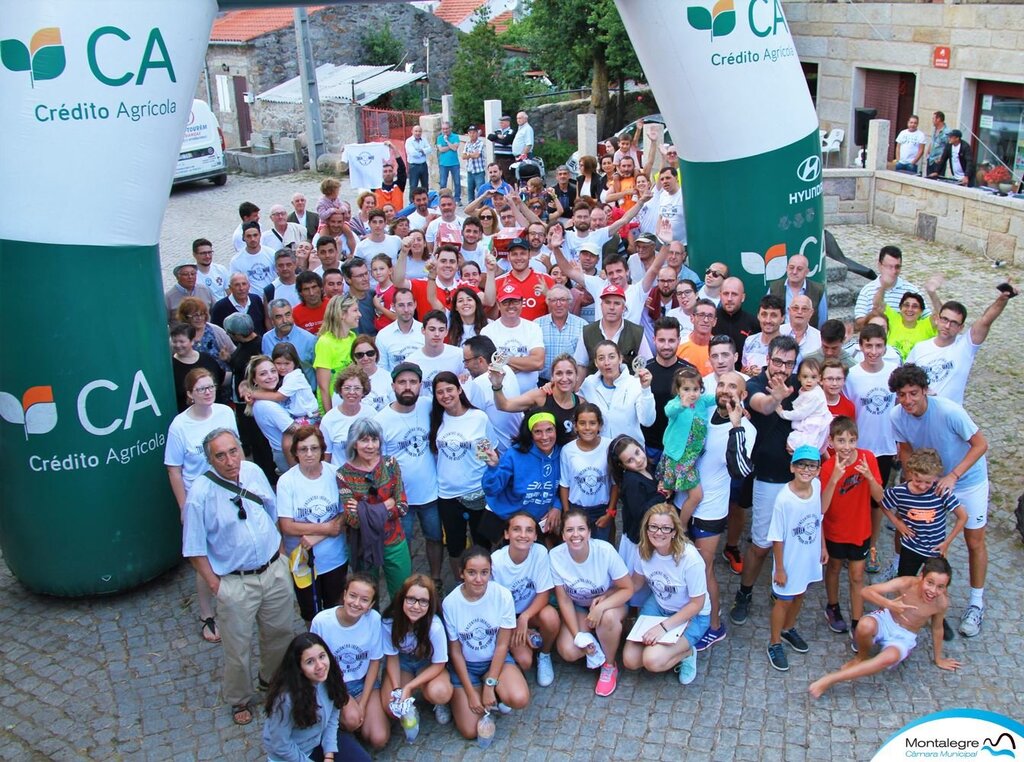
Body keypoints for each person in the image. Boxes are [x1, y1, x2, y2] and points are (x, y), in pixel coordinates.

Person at [181, 428, 295, 726]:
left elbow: (271, 511)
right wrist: (216, 586)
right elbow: (194, 548)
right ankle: (239, 698)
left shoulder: (254, 471)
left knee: (280, 633)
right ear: (210, 460)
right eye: (221, 455)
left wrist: (281, 555)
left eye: (234, 451)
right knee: (237, 647)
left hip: (272, 570)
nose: (231, 460)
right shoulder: (200, 495)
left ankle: (271, 680)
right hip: (234, 581)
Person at [888, 364, 989, 637]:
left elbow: (981, 445)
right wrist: (913, 481)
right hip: (930, 481)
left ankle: (976, 603)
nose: (908, 400)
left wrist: (953, 476)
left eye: (913, 393)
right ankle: (901, 573)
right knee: (912, 526)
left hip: (967, 480)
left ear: (925, 391)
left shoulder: (949, 411)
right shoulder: (897, 415)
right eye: (902, 394)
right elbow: (905, 448)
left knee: (974, 541)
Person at [808, 558, 960, 698]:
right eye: (930, 583)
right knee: (864, 625)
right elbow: (865, 591)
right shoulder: (906, 583)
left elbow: (937, 628)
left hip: (904, 637)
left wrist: (939, 658)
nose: (933, 591)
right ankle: (861, 657)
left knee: (889, 658)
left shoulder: (941, 603)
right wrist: (889, 604)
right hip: (887, 619)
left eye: (940, 587)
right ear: (921, 577)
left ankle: (831, 679)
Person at [729, 336, 801, 627]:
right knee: (761, 544)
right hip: (767, 478)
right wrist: (777, 397)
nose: (783, 368)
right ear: (768, 359)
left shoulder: (802, 385)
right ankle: (744, 593)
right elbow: (763, 406)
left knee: (793, 542)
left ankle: (782, 592)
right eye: (778, 361)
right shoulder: (756, 384)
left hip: (799, 479)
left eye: (789, 363)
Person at [165, 368, 238, 644]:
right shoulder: (179, 426)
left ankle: (237, 601)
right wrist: (184, 506)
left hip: (229, 490)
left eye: (211, 387)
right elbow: (174, 470)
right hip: (199, 497)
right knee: (203, 556)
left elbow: (236, 449)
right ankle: (207, 614)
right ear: (189, 395)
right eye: (201, 389)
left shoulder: (225, 413)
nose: (208, 393)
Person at [687, 372, 756, 653]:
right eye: (722, 384)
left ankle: (714, 626)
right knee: (685, 569)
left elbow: (739, 470)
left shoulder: (747, 430)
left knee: (703, 570)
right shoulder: (703, 411)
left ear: (743, 395)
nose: (726, 390)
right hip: (685, 501)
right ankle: (690, 617)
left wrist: (737, 426)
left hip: (711, 509)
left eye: (733, 386)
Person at [442, 547, 530, 738]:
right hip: (467, 666)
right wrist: (471, 694)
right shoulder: (450, 603)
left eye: (484, 573)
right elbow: (455, 652)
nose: (479, 579)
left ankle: (489, 687)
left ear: (491, 572)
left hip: (494, 661)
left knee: (519, 698)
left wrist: (490, 685)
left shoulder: (503, 595)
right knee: (470, 731)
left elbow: (502, 645)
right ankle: (464, 694)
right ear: (461, 573)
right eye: (471, 573)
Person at [622, 504, 710, 685]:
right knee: (630, 660)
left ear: (674, 532)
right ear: (646, 529)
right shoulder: (643, 550)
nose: (658, 533)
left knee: (652, 661)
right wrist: (609, 596)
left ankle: (687, 653)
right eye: (653, 527)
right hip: (660, 605)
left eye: (665, 528)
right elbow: (636, 583)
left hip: (692, 615)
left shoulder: (690, 559)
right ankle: (668, 650)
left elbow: (697, 604)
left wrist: (663, 628)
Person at [375, 362, 444, 590]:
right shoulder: (382, 419)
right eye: (402, 382)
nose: (407, 387)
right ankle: (406, 584)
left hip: (431, 492)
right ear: (393, 385)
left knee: (434, 537)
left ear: (420, 386)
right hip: (400, 498)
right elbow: (379, 462)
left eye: (413, 382)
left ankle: (435, 578)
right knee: (402, 543)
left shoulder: (427, 406)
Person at [549, 509, 633, 697]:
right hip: (578, 605)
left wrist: (601, 607)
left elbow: (627, 588)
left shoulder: (604, 551)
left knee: (608, 617)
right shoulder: (555, 556)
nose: (575, 535)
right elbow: (563, 599)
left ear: (589, 532)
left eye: (581, 529)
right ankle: (596, 642)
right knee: (569, 651)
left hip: (610, 601)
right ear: (562, 535)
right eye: (569, 530)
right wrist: (578, 635)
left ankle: (609, 665)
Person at [276, 426, 348, 622]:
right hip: (302, 562)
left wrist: (318, 535)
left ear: (322, 450)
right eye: (303, 449)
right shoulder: (287, 481)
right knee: (311, 615)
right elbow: (287, 525)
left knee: (335, 609)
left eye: (314, 448)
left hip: (335, 558)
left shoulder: (336, 474)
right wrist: (326, 528)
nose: (309, 454)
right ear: (295, 452)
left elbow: (345, 514)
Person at [819, 416, 882, 642]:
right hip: (835, 530)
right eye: (841, 441)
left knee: (857, 576)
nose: (846, 447)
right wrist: (835, 479)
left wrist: (869, 477)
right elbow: (822, 508)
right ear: (831, 442)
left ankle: (857, 621)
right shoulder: (827, 467)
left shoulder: (868, 458)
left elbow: (879, 497)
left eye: (851, 440)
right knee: (834, 568)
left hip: (860, 529)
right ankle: (833, 606)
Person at [310, 574, 390, 751]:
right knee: (353, 719)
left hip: (362, 682)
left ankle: (353, 721)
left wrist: (363, 703)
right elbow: (315, 665)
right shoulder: (322, 622)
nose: (356, 603)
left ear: (370, 605)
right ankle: (339, 728)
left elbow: (375, 662)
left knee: (379, 738)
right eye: (352, 595)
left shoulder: (374, 619)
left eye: (364, 600)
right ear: (344, 594)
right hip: (334, 683)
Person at [262, 632, 370, 762]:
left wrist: (329, 753)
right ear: (299, 667)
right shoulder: (285, 699)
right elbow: (280, 744)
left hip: (318, 742)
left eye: (322, 656)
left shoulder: (330, 677)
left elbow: (333, 715)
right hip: (290, 756)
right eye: (310, 662)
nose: (320, 666)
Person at [844, 323, 900, 575]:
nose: (874, 351)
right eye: (869, 346)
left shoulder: (893, 372)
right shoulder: (853, 375)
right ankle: (851, 541)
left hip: (885, 448)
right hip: (860, 447)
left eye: (879, 346)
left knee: (878, 501)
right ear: (861, 346)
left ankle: (872, 546)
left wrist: (899, 442)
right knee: (855, 499)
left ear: (885, 346)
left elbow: (899, 408)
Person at [765, 445, 826, 672]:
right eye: (801, 464)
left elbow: (819, 517)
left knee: (800, 594)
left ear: (818, 470)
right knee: (784, 600)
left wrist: (822, 545)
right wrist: (779, 568)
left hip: (808, 555)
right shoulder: (784, 499)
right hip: (789, 559)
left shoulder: (817, 486)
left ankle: (788, 629)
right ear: (792, 467)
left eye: (811, 465)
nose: (806, 469)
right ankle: (774, 642)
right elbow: (777, 537)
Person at [906, 283, 1019, 405]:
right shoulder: (920, 348)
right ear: (937, 319)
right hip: (920, 414)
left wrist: (1002, 299)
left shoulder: (966, 346)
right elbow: (905, 379)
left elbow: (986, 320)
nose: (948, 326)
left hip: (950, 417)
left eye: (954, 323)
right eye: (945, 319)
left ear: (961, 327)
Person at [337, 419, 412, 600]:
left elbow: (402, 507)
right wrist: (386, 505)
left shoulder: (390, 464)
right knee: (366, 598)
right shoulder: (344, 474)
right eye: (364, 440)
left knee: (402, 594)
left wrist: (364, 509)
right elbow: (353, 520)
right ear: (354, 443)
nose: (370, 446)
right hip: (364, 545)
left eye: (374, 440)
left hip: (394, 540)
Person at [430, 371, 497, 571]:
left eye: (449, 389)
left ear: (459, 389)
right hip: (447, 492)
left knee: (482, 542)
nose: (445, 395)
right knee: (454, 544)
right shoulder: (436, 419)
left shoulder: (478, 417)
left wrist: (493, 462)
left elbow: (488, 451)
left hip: (476, 488)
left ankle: (485, 577)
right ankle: (460, 582)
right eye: (439, 392)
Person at [490, 513, 560, 687]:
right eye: (516, 529)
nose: (523, 535)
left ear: (536, 536)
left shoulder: (540, 552)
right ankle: (508, 660)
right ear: (507, 534)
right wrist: (514, 624)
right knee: (525, 661)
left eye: (529, 530)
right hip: (505, 619)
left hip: (530, 612)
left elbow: (543, 593)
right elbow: (492, 605)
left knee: (550, 617)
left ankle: (544, 654)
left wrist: (525, 617)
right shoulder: (496, 562)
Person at [380, 574, 454, 727]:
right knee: (391, 707)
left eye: (423, 602)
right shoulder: (389, 622)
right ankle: (410, 707)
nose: (416, 606)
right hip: (402, 664)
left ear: (430, 604)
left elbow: (439, 664)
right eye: (411, 599)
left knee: (440, 693)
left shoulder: (435, 626)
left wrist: (409, 686)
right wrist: (397, 689)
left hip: (426, 663)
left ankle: (437, 702)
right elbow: (392, 658)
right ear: (402, 598)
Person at [481, 411, 562, 540]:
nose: (545, 437)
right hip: (503, 517)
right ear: (530, 434)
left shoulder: (563, 453)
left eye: (549, 430)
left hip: (534, 522)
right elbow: (491, 490)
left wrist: (557, 506)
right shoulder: (515, 454)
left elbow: (565, 486)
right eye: (538, 432)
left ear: (556, 431)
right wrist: (493, 468)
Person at [490, 354, 583, 445]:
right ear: (552, 377)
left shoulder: (582, 404)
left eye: (569, 373)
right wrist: (497, 386)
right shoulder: (540, 396)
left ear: (577, 376)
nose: (564, 378)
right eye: (559, 373)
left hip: (568, 458)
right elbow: (504, 405)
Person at [658, 366, 714, 518]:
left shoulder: (702, 401)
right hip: (677, 457)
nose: (691, 394)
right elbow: (668, 411)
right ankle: (679, 526)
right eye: (686, 389)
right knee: (683, 494)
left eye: (695, 389)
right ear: (678, 390)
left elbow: (718, 398)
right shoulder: (675, 404)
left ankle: (676, 525)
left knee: (672, 493)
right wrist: (681, 405)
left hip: (691, 458)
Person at [580, 341, 655, 446]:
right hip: (602, 452)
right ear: (596, 363)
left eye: (611, 357)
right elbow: (572, 402)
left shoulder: (634, 383)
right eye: (601, 358)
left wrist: (646, 389)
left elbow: (647, 421)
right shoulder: (589, 384)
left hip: (631, 453)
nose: (607, 362)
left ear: (620, 359)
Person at [559, 404, 616, 542]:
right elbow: (564, 484)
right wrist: (567, 513)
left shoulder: (609, 446)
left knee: (601, 550)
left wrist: (610, 512)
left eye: (592, 423)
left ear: (600, 425)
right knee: (577, 548)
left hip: (601, 510)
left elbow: (615, 483)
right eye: (582, 423)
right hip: (576, 509)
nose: (587, 428)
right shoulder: (568, 450)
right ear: (576, 426)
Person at [481, 286, 546, 391]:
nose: (511, 306)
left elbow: (538, 363)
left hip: (530, 398)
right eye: (506, 302)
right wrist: (525, 364)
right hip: (500, 396)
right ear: (498, 305)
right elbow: (488, 368)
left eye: (515, 302)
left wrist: (504, 359)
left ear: (522, 303)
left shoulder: (533, 327)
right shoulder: (487, 331)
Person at [244, 355, 299, 475]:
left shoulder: (269, 396)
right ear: (254, 380)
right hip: (287, 454)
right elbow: (294, 428)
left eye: (273, 371)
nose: (270, 376)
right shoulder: (266, 405)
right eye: (263, 374)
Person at [854, 246, 929, 331]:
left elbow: (928, 318)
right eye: (889, 267)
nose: (894, 271)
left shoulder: (911, 290)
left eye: (897, 267)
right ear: (880, 265)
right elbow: (858, 324)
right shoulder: (867, 290)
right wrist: (874, 315)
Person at [251, 343, 319, 425]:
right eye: (278, 363)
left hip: (309, 417)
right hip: (298, 416)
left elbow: (278, 396)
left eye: (287, 363)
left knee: (288, 434)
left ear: (295, 363)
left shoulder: (295, 376)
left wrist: (253, 394)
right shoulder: (281, 376)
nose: (282, 367)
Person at [314, 295, 361, 413]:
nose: (359, 314)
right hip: (333, 407)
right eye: (355, 311)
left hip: (350, 403)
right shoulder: (325, 342)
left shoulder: (352, 337)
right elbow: (324, 387)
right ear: (342, 314)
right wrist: (330, 416)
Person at [319, 366, 375, 462]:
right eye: (347, 388)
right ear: (340, 390)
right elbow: (325, 457)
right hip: (338, 474)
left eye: (357, 388)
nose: (352, 392)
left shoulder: (372, 414)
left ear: (363, 391)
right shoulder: (329, 419)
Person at [777, 357, 832, 452]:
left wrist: (782, 413)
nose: (809, 381)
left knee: (795, 446)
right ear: (799, 377)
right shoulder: (805, 390)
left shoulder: (815, 395)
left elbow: (800, 413)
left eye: (813, 377)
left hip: (813, 427)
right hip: (806, 424)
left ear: (819, 378)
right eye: (805, 377)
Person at [870, 285, 937, 361]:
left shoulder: (927, 325)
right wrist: (883, 285)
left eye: (915, 306)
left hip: (914, 370)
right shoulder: (893, 318)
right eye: (906, 305)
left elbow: (943, 315)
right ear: (901, 308)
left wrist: (932, 293)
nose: (910, 309)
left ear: (921, 311)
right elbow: (877, 304)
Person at [170, 322, 225, 412]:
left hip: (214, 411)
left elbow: (221, 379)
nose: (178, 345)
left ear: (192, 341)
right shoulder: (171, 366)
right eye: (174, 342)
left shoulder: (207, 359)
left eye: (182, 342)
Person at [767, 254, 827, 328]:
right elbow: (767, 315)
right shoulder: (774, 288)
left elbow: (822, 321)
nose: (794, 272)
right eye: (791, 268)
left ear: (807, 272)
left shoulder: (818, 290)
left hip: (807, 336)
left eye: (799, 269)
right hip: (780, 336)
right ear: (786, 268)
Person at [375, 288, 423, 371]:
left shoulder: (426, 332)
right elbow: (381, 370)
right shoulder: (383, 336)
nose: (406, 310)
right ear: (393, 306)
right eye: (401, 305)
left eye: (409, 304)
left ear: (415, 305)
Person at [348, 335, 395, 413]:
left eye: (370, 353)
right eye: (360, 355)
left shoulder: (389, 378)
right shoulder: (346, 381)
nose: (365, 358)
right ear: (354, 357)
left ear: (376, 354)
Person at [742, 295, 786, 376]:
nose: (768, 320)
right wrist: (747, 372)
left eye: (773, 315)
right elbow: (743, 370)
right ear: (758, 316)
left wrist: (764, 375)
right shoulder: (749, 341)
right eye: (764, 314)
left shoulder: (788, 346)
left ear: (782, 318)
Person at [231, 221, 277, 296]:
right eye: (249, 236)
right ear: (243, 237)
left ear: (260, 235)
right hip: (252, 300)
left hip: (272, 296)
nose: (252, 239)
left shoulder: (272, 253)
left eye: (255, 235)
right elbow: (235, 285)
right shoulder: (236, 261)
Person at [676, 299, 718, 375]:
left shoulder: (719, 347)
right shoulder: (679, 344)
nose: (705, 320)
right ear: (692, 318)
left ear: (715, 321)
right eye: (701, 315)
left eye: (710, 316)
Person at [487, 115, 517, 184]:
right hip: (498, 158)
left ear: (508, 123)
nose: (501, 124)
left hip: (507, 159)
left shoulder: (511, 131)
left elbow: (505, 141)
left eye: (502, 123)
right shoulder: (498, 131)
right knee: (498, 177)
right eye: (500, 123)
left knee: (508, 177)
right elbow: (490, 137)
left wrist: (496, 139)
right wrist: (498, 136)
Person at [462, 125, 487, 203]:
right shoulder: (467, 144)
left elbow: (477, 155)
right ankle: (471, 207)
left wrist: (468, 155)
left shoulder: (480, 143)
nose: (472, 134)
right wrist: (471, 155)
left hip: (479, 171)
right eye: (470, 133)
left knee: (480, 191)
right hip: (470, 171)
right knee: (470, 191)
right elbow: (463, 156)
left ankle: (481, 207)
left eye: (474, 133)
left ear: (477, 133)